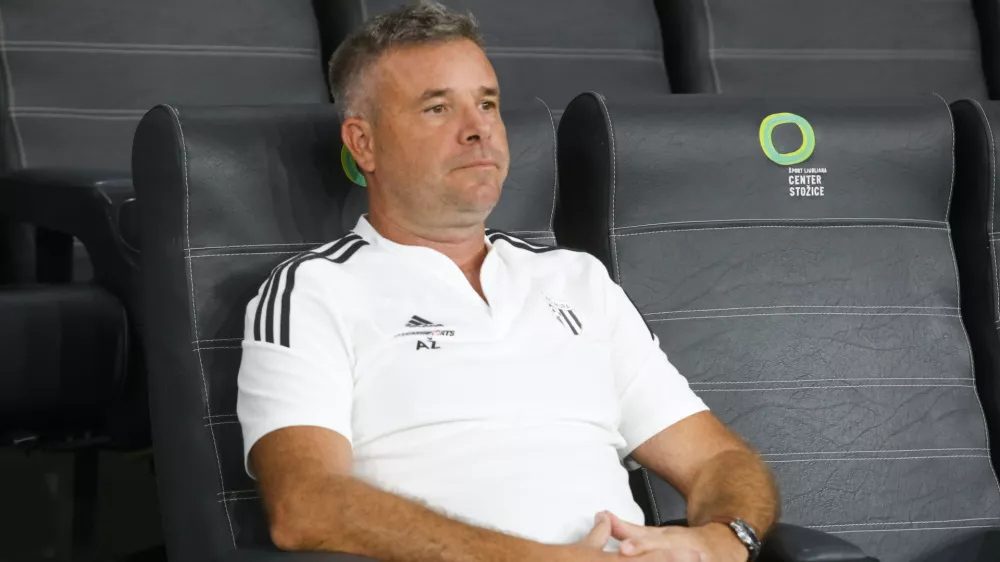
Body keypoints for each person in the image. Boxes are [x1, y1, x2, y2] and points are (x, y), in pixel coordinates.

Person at [236, 2, 780, 560]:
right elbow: (306, 504)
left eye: (487, 104)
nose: (478, 130)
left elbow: (717, 460)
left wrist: (723, 539)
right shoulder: (314, 291)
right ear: (363, 143)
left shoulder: (576, 280)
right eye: (437, 108)